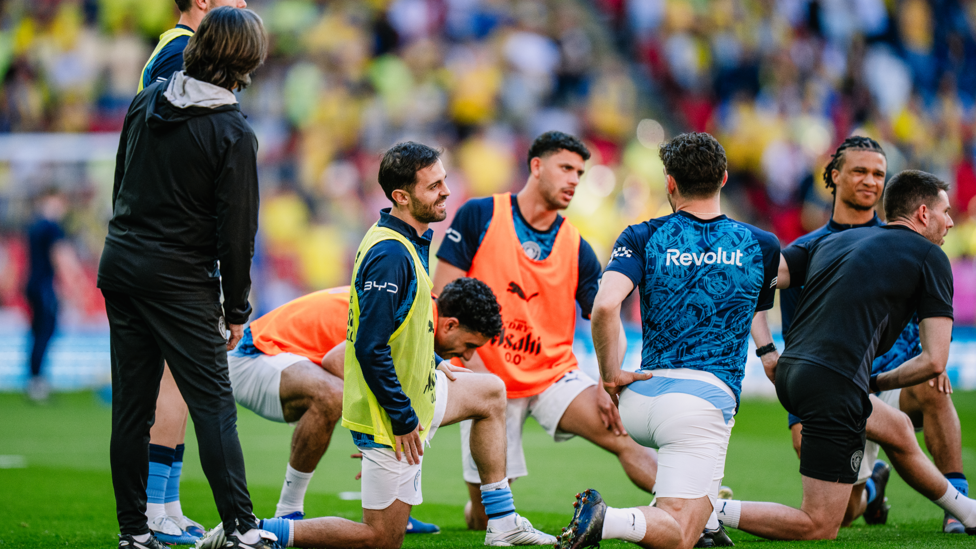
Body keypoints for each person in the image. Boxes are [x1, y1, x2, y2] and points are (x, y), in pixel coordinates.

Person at [199, 141, 555, 548]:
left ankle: (503, 521)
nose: (446, 191)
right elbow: (366, 348)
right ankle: (252, 531)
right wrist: (402, 417)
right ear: (401, 196)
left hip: (413, 397)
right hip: (387, 410)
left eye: (444, 181)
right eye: (434, 186)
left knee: (489, 391)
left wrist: (434, 362)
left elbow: (398, 333)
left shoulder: (407, 241)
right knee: (381, 539)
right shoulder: (391, 254)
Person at [715, 170, 976, 540]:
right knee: (819, 525)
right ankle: (707, 508)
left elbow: (757, 277)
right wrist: (877, 381)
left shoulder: (835, 240)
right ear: (923, 213)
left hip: (792, 372)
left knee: (899, 430)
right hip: (834, 383)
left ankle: (966, 511)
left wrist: (767, 349)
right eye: (945, 212)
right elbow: (935, 361)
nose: (950, 222)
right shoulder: (930, 255)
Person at [97, 8, 274, 549]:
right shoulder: (233, 131)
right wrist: (237, 309)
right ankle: (242, 529)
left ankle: (134, 532)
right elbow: (236, 235)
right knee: (214, 406)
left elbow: (121, 182)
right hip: (179, 279)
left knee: (131, 409)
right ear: (246, 59)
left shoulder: (147, 100)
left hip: (122, 264)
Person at [554, 132, 780, 549]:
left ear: (670, 182)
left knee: (696, 513)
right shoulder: (761, 245)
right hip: (701, 404)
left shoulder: (642, 235)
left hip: (641, 397)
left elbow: (605, 306)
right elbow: (755, 309)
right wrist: (768, 353)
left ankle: (708, 525)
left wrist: (610, 375)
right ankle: (607, 519)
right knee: (679, 534)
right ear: (724, 178)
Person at [432, 131, 658, 529]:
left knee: (623, 434)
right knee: (484, 518)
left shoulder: (577, 246)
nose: (574, 180)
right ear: (536, 166)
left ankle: (698, 510)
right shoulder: (480, 215)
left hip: (553, 375)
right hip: (487, 377)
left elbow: (608, 316)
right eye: (566, 168)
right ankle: (478, 511)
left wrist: (607, 379)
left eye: (580, 173)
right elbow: (441, 299)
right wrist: (468, 375)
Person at [224, 279, 501, 534]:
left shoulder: (418, 309)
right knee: (335, 395)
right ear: (450, 325)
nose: (467, 356)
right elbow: (336, 362)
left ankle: (395, 510)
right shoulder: (411, 314)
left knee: (399, 403)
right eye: (469, 345)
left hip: (288, 358)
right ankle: (288, 512)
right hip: (255, 354)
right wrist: (381, 424)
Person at [135, 0, 248, 544]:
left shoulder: (175, 49)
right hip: (173, 251)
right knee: (174, 381)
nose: (244, 4)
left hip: (164, 245)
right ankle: (156, 509)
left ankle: (166, 505)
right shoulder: (180, 52)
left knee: (174, 380)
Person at [24, 188, 81, 403]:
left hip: (32, 284)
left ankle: (34, 379)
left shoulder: (34, 225)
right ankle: (37, 382)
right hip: (44, 287)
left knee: (37, 333)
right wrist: (76, 284)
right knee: (45, 332)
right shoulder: (51, 226)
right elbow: (61, 256)